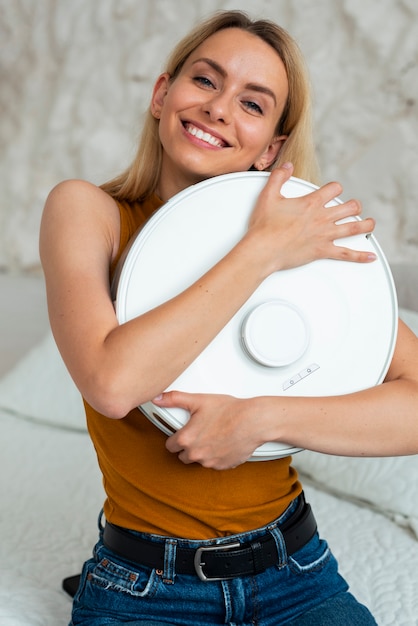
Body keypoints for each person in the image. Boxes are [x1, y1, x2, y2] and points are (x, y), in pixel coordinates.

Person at [39, 10, 418, 626]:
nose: (218, 109)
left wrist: (262, 419)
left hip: (294, 571)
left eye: (253, 103)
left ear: (270, 148)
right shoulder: (91, 213)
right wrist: (261, 251)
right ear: (163, 95)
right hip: (142, 587)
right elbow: (112, 383)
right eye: (206, 80)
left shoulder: (305, 247)